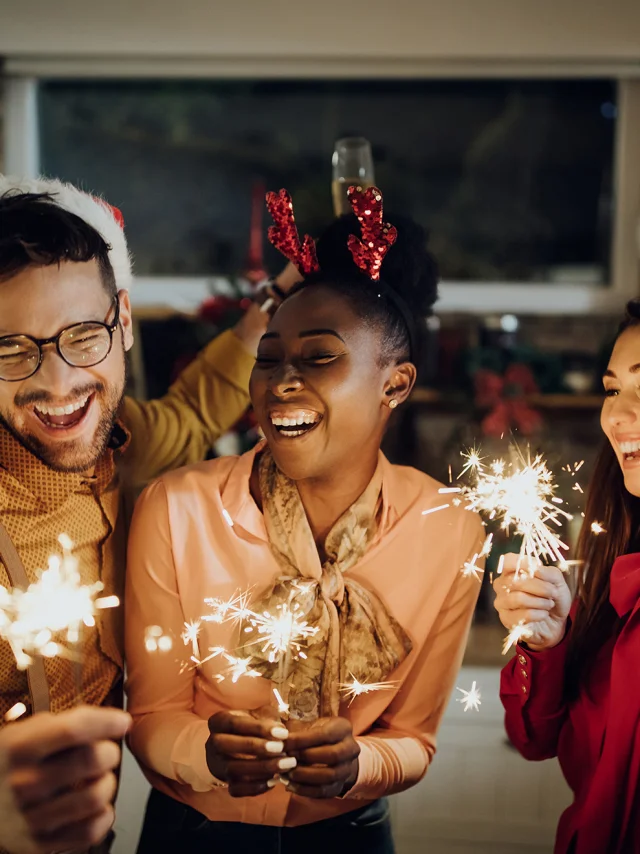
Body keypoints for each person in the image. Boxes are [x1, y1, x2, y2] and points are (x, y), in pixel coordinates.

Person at [125, 187, 484, 854]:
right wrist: (204, 751)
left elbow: (414, 739)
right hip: (192, 835)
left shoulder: (450, 527)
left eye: (319, 357)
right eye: (267, 359)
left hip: (350, 836)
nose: (281, 380)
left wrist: (360, 766)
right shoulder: (176, 509)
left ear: (395, 384)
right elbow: (149, 719)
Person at [0, 176, 294, 854]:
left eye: (82, 334)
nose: (57, 382)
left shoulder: (124, 437)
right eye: (12, 348)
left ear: (123, 322)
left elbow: (194, 409)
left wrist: (286, 289)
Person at [495, 300, 640, 854]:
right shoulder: (611, 566)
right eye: (611, 390)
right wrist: (547, 643)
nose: (618, 415)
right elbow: (536, 740)